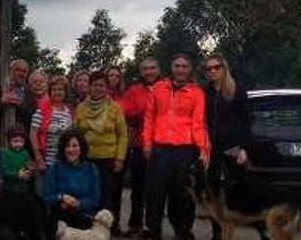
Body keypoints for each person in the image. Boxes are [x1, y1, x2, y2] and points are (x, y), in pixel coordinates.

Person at [143, 54, 210, 240]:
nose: (180, 69)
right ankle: (153, 230)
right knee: (155, 192)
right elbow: (149, 118)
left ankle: (183, 232)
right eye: (177, 65)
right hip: (160, 149)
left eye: (184, 66)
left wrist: (203, 150)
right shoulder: (158, 88)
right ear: (171, 67)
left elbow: (199, 123)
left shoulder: (197, 93)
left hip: (185, 150)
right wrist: (147, 144)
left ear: (190, 70)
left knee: (182, 195)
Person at [203, 54, 255, 240]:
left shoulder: (237, 90)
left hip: (232, 147)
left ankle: (233, 229)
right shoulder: (205, 92)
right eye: (209, 68)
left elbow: (246, 123)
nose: (213, 71)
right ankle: (217, 232)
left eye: (216, 67)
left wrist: (244, 148)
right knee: (212, 191)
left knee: (236, 189)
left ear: (224, 68)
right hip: (211, 149)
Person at [73, 71, 127, 232]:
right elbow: (75, 133)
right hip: (86, 159)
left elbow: (123, 135)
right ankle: (88, 226)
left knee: (107, 196)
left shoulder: (115, 108)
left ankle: (109, 227)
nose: (98, 88)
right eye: (95, 85)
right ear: (89, 87)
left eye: (101, 85)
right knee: (87, 195)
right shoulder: (81, 108)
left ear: (106, 87)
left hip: (109, 159)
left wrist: (120, 159)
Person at [119, 57, 161, 237]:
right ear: (141, 72)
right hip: (138, 145)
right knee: (138, 189)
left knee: (158, 189)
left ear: (158, 70)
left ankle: (154, 227)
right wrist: (148, 111)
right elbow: (126, 113)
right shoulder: (134, 90)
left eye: (152, 68)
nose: (149, 72)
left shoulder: (167, 86)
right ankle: (135, 224)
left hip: (162, 145)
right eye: (145, 69)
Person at [43, 129, 101, 238]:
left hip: (83, 215)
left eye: (75, 146)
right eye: (67, 146)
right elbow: (47, 196)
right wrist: (61, 197)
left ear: (81, 148)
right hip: (60, 214)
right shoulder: (55, 168)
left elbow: (94, 198)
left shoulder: (91, 168)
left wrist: (78, 203)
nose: (71, 150)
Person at [30, 76, 73, 173]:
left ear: (65, 92)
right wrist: (39, 159)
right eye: (54, 90)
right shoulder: (42, 110)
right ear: (50, 92)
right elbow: (33, 135)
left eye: (60, 89)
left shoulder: (70, 111)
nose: (57, 92)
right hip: (47, 163)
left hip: (66, 162)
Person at [0, 125, 34, 193]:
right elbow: (4, 172)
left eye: (21, 141)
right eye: (15, 141)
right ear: (9, 141)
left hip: (23, 188)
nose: (18, 144)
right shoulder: (5, 154)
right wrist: (17, 174)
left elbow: (28, 167)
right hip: (9, 189)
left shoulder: (25, 153)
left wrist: (30, 169)